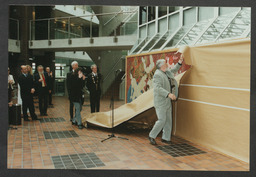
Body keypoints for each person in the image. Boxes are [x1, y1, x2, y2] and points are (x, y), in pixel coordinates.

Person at [148, 56, 183, 145]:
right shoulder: (157, 75)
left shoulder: (166, 72)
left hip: (167, 101)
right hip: (161, 102)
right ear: (162, 65)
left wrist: (180, 62)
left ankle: (165, 138)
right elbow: (157, 88)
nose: (167, 64)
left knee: (168, 120)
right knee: (162, 120)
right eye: (165, 63)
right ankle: (152, 135)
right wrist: (168, 94)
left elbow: (174, 70)